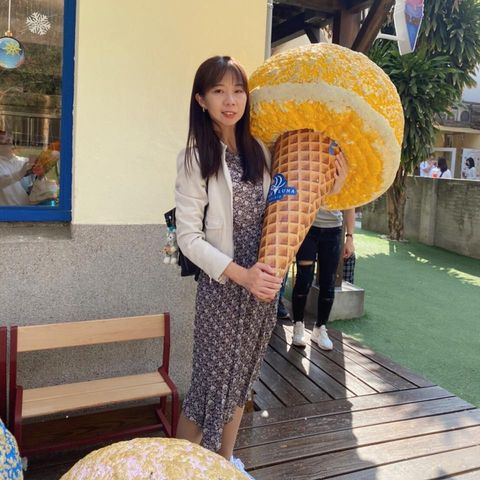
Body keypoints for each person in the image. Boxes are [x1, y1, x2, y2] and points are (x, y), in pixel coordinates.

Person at [174, 55, 283, 471]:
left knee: (241, 382)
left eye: (238, 90)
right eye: (219, 91)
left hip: (263, 287)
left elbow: (288, 205)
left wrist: (335, 179)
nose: (230, 100)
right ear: (201, 100)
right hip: (224, 288)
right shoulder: (194, 158)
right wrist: (242, 276)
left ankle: (224, 464)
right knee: (208, 388)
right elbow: (188, 238)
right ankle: (175, 470)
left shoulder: (261, 151)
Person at [291, 208, 355, 350]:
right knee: (304, 279)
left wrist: (349, 237)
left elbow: (350, 205)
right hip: (307, 226)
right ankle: (298, 325)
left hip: (334, 231)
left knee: (328, 282)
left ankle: (320, 328)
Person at [0, 130, 35, 205]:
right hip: (6, 211)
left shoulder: (23, 161)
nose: (8, 140)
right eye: (1, 138)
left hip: (27, 210)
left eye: (9, 137)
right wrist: (19, 174)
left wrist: (40, 171)